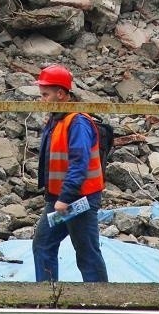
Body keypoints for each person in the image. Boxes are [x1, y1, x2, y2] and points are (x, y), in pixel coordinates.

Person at [32, 64, 109, 284]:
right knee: (43, 243)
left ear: (61, 94)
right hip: (62, 199)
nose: (42, 100)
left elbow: (79, 163)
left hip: (77, 200)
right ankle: (47, 298)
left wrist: (65, 198)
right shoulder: (57, 119)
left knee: (86, 251)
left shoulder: (77, 122)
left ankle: (101, 303)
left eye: (45, 94)